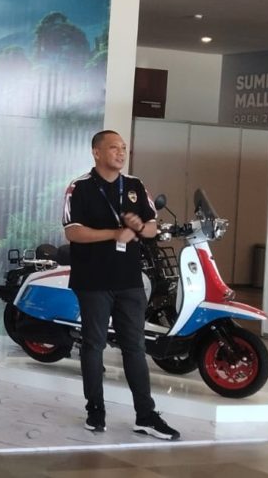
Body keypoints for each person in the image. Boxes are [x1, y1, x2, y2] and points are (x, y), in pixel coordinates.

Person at [62, 129, 180, 441]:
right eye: (114, 147)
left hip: (129, 280)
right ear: (96, 152)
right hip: (93, 280)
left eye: (124, 148)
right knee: (94, 345)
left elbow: (152, 228)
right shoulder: (79, 187)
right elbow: (72, 231)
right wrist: (114, 234)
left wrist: (140, 227)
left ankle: (146, 415)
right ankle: (95, 410)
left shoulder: (135, 185)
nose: (121, 152)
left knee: (135, 347)